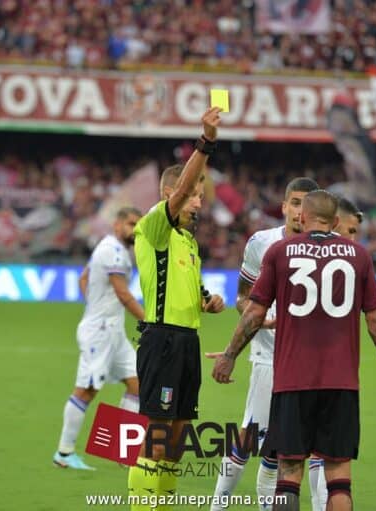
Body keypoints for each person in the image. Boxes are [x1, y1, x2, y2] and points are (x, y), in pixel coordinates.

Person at [212, 190, 376, 511]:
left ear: (302, 217)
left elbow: (254, 311)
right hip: (341, 382)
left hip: (291, 380)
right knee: (339, 475)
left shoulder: (280, 252)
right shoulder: (358, 255)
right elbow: (375, 318)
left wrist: (230, 355)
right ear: (336, 221)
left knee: (288, 473)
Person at [127, 108, 225, 510]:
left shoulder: (187, 242)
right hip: (162, 341)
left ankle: (161, 504)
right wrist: (206, 143)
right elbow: (184, 187)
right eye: (195, 194)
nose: (199, 201)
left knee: (179, 436)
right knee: (158, 434)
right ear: (173, 194)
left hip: (187, 343)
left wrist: (208, 302)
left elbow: (193, 291)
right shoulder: (155, 227)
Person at [208, 177, 325, 511]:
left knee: (302, 447)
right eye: (295, 202)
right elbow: (242, 299)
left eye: (307, 203)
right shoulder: (261, 243)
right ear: (285, 206)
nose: (300, 210)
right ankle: (217, 505)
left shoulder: (326, 249)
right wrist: (262, 319)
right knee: (249, 436)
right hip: (269, 353)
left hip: (310, 359)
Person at [52, 207, 145, 470]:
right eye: (130, 223)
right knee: (87, 390)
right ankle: (64, 452)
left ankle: (120, 452)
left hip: (112, 329)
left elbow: (84, 278)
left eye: (138, 225)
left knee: (138, 382)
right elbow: (124, 295)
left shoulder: (109, 248)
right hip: (101, 332)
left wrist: (94, 304)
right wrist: (149, 322)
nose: (134, 229)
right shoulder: (114, 251)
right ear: (117, 225)